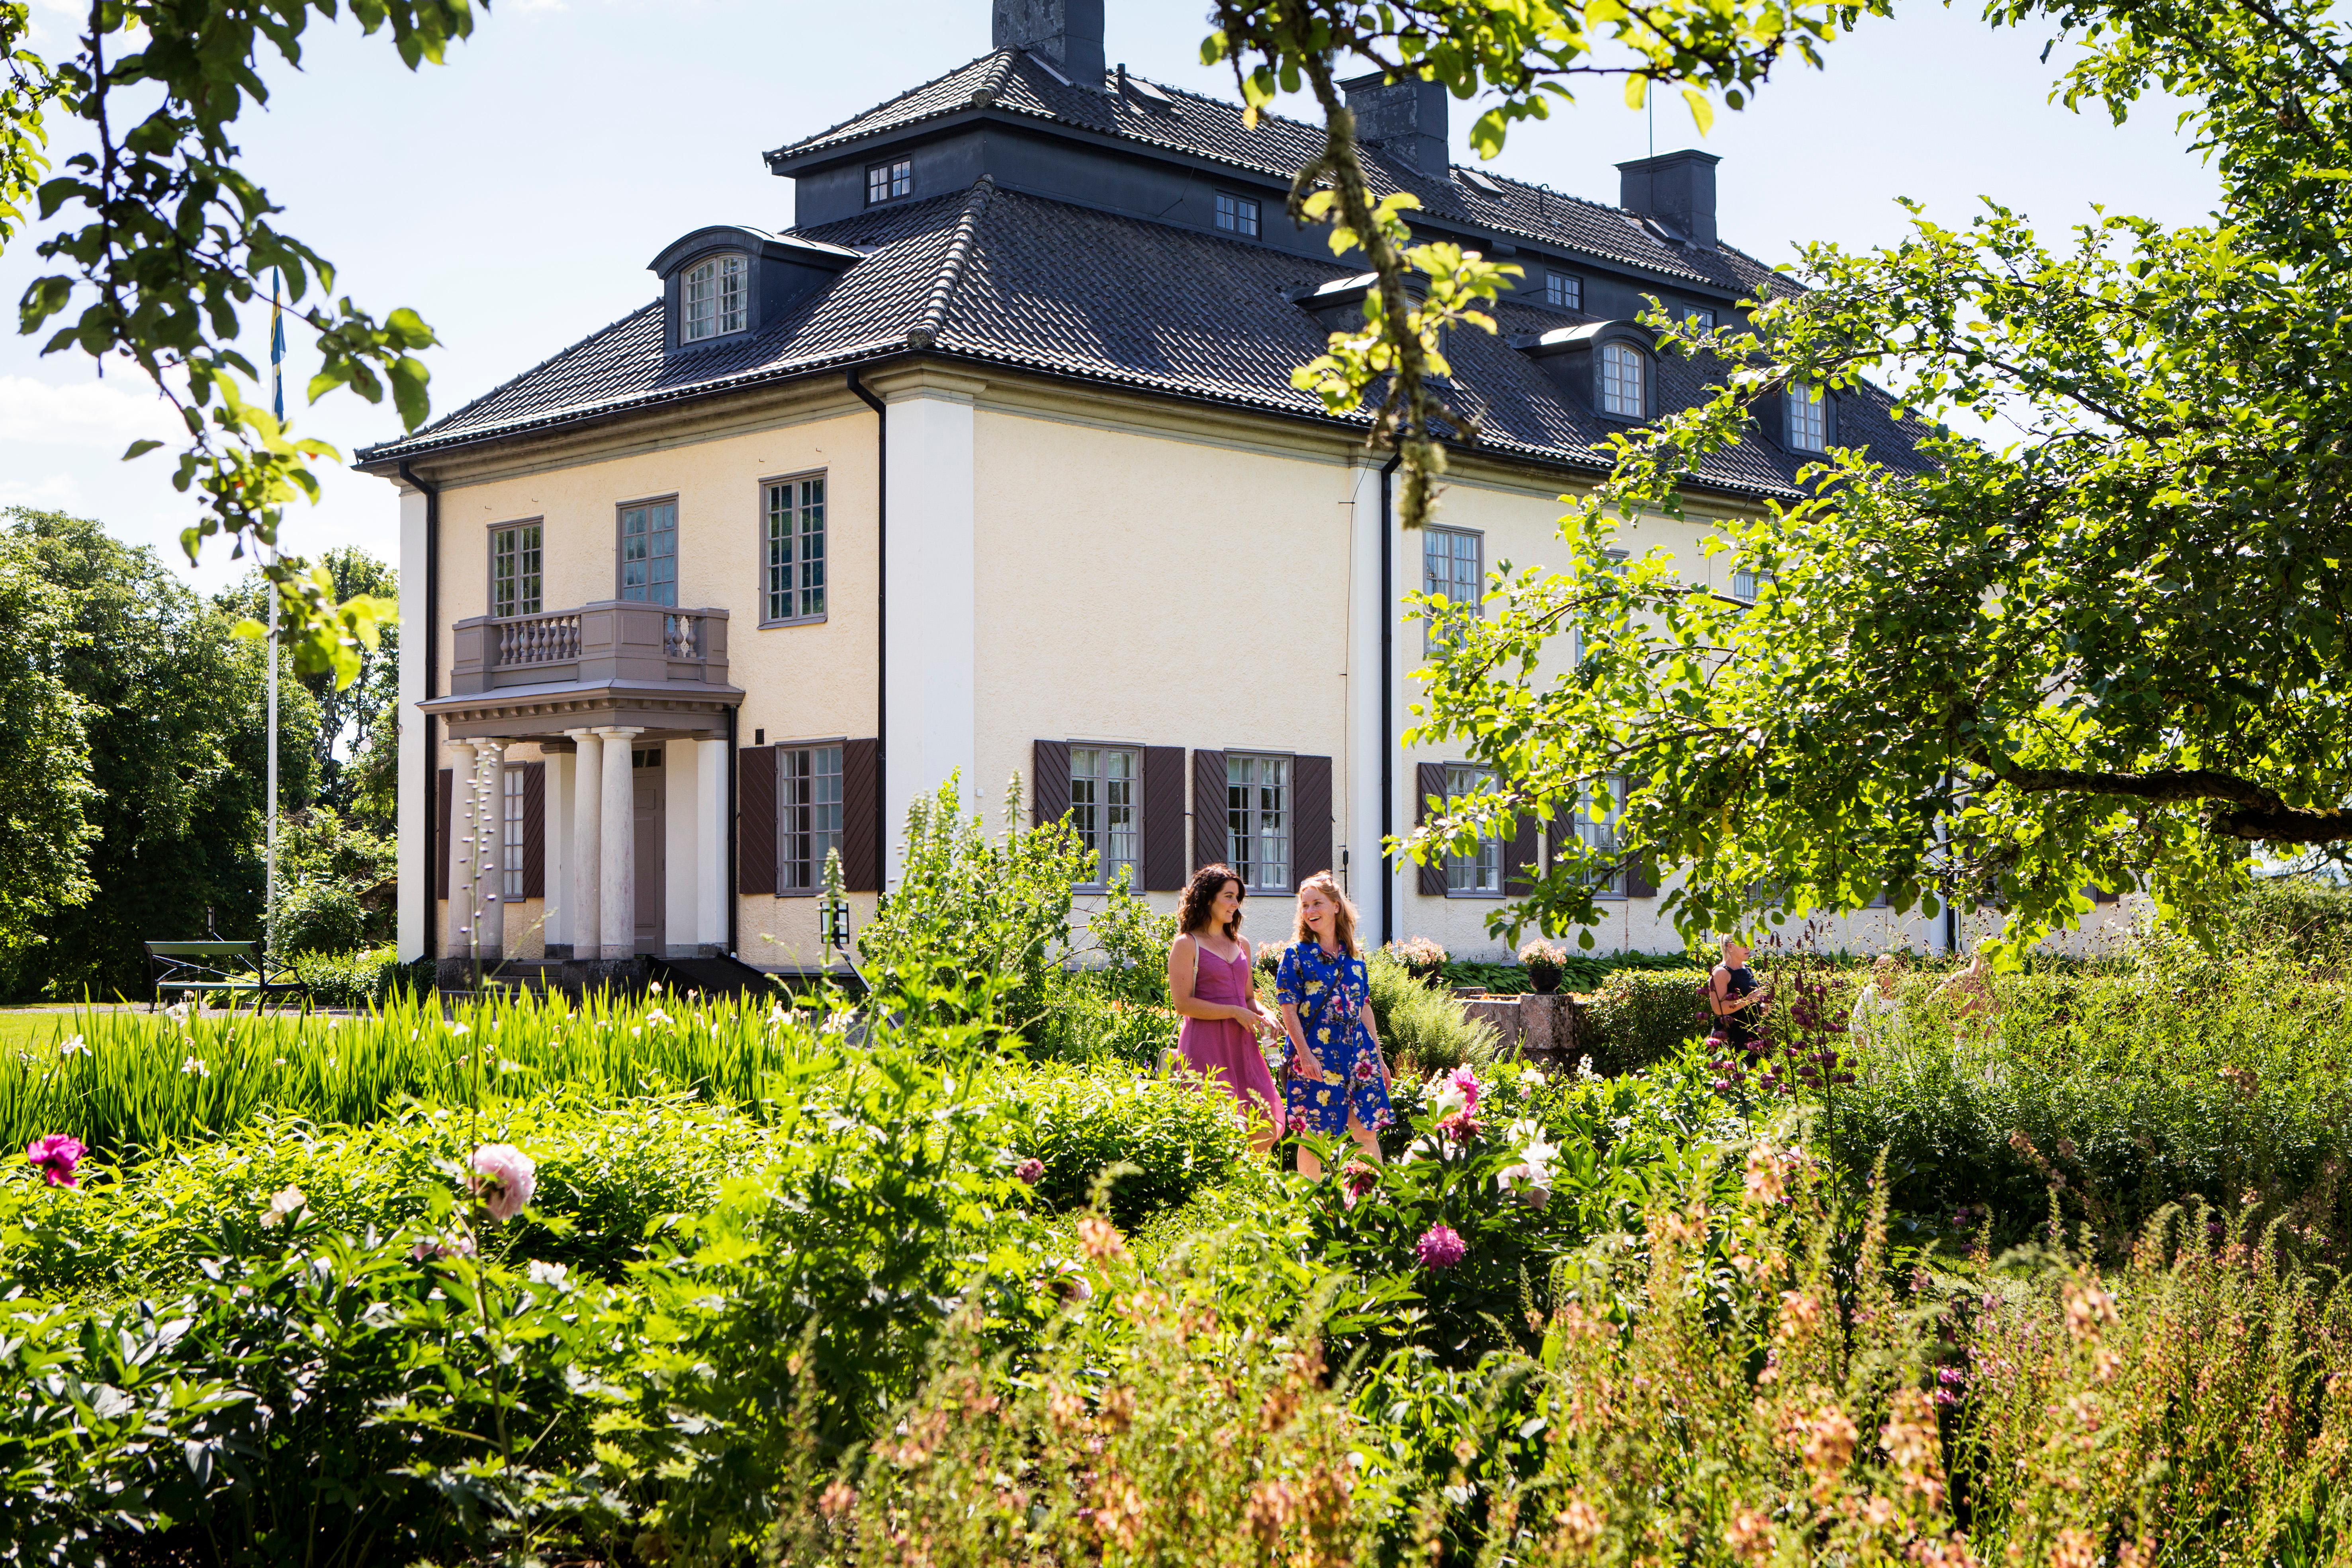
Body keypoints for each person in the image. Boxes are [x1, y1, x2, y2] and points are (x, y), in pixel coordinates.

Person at [1274, 871, 1394, 1178]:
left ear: (1336, 906)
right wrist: (1304, 1054)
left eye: (1318, 904)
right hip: (1315, 1056)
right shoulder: (1296, 955)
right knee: (1313, 1136)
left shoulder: (1355, 957)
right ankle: (1311, 1206)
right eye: (1305, 906)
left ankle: (1372, 1202)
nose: (1311, 911)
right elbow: (1288, 1009)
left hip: (1359, 1056)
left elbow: (1364, 1006)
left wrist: (1379, 1059)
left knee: (1366, 1131)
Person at [1168, 863, 1284, 1154]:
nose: (1236, 904)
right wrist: (1234, 1012)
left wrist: (1265, 1012)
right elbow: (1182, 1004)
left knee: (1264, 1123)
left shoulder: (1241, 943)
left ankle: (1248, 1187)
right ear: (1209, 899)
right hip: (1205, 1045)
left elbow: (1246, 999)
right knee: (1218, 1129)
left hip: (1242, 1044)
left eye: (1238, 898)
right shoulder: (1187, 944)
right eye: (1229, 896)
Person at [1708, 936, 1769, 1052]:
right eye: (1743, 944)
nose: (1748, 947)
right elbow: (1718, 1009)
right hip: (1730, 1038)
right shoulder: (1721, 972)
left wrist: (1762, 1006)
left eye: (1749, 943)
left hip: (1752, 1034)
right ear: (1730, 947)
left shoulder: (1747, 969)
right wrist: (1749, 1000)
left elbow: (1752, 999)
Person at [1852, 949, 1910, 1044]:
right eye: (1882, 969)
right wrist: (1863, 1052)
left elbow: (1905, 1029)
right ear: (1876, 973)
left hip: (1897, 1054)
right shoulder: (1870, 993)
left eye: (1890, 969)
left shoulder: (1900, 997)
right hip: (1873, 1052)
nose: (1886, 973)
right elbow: (1855, 1023)